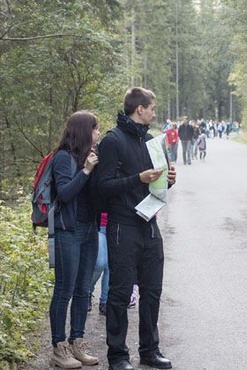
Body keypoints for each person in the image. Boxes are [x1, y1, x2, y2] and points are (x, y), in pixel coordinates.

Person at [96, 87, 177, 370]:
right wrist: (137, 178)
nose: (155, 113)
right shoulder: (112, 141)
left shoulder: (152, 141)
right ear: (139, 109)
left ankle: (149, 351)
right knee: (119, 294)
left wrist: (168, 179)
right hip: (123, 225)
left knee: (152, 291)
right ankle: (117, 355)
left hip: (150, 225)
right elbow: (101, 188)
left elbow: (155, 184)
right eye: (152, 108)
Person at [49, 110, 100, 369]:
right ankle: (59, 348)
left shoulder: (89, 157)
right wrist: (87, 171)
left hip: (90, 230)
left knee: (83, 289)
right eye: (94, 128)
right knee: (64, 290)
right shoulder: (63, 158)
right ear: (83, 131)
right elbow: (66, 194)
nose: (98, 133)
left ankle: (77, 342)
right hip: (68, 231)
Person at [89, 213, 110, 316]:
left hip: (118, 224)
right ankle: (87, 290)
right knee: (100, 262)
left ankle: (105, 300)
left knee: (110, 266)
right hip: (99, 225)